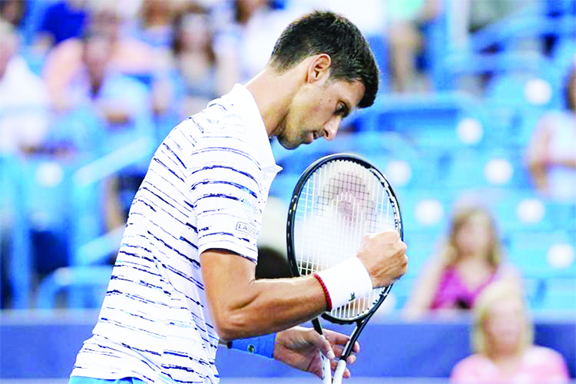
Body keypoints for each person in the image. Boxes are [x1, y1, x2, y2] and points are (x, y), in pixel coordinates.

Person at [69, 10, 408, 384]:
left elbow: (189, 294)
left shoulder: (218, 130)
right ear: (316, 70)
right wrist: (360, 274)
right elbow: (233, 310)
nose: (332, 130)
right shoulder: (232, 145)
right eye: (339, 107)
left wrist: (271, 341)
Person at [404, 203, 520, 318]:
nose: (472, 238)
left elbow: (517, 318)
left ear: (491, 235)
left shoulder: (504, 273)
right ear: (455, 234)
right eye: (466, 231)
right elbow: (413, 314)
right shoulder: (438, 269)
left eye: (478, 231)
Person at [450, 280, 570, 383]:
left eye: (514, 316)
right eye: (497, 317)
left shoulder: (548, 363)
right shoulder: (468, 371)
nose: (507, 325)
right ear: (485, 325)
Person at [525, 63, 576, 203]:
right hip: (558, 205)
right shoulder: (551, 121)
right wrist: (547, 197)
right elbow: (533, 160)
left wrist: (556, 158)